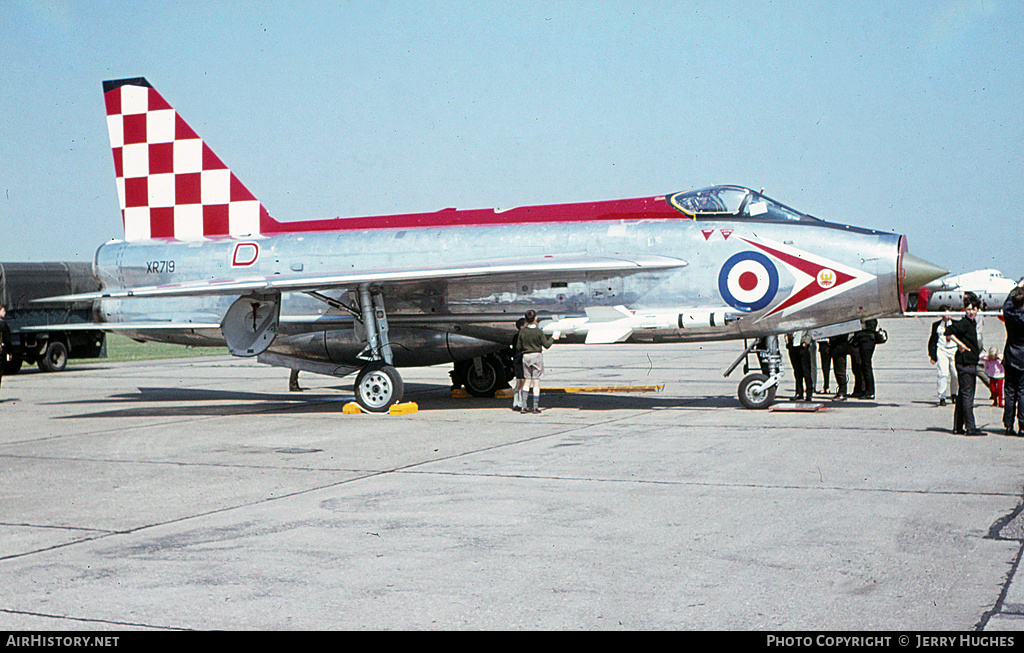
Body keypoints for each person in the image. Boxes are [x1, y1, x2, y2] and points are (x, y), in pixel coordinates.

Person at [946, 292, 983, 435]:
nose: (971, 312)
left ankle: (957, 426)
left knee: (962, 396)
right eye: (968, 309)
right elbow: (948, 332)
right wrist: (960, 344)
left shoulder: (971, 323)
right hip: (965, 364)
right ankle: (970, 427)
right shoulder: (964, 323)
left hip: (968, 363)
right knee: (968, 396)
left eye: (973, 309)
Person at [515, 310, 555, 414]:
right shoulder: (538, 331)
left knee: (527, 381)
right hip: (536, 356)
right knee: (536, 382)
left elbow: (518, 347)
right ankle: (535, 407)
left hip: (526, 356)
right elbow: (546, 345)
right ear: (535, 319)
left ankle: (524, 406)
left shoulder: (522, 332)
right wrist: (553, 338)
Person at [1002, 285, 1024, 435]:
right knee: (1022, 392)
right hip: (1023, 356)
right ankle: (1022, 426)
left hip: (1010, 354)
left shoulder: (1009, 313)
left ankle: (1008, 425)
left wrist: (1018, 287)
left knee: (1009, 391)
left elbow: (1006, 302)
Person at [928, 306, 958, 406]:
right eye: (945, 314)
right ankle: (942, 397)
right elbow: (932, 341)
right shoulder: (936, 325)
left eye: (949, 313)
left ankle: (954, 394)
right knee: (943, 374)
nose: (948, 316)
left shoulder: (956, 324)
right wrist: (932, 356)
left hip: (953, 350)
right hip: (941, 350)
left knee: (955, 373)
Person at [849, 320, 878, 400]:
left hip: (867, 341)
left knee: (866, 366)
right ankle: (864, 390)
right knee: (862, 366)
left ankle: (870, 392)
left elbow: (872, 325)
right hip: (863, 340)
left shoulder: (870, 318)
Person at [786, 331, 813, 401]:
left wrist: (806, 343)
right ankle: (799, 393)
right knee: (797, 372)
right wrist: (787, 341)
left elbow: (809, 333)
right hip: (793, 347)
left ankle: (809, 393)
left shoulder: (804, 322)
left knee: (806, 372)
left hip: (802, 347)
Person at [829, 333, 852, 400]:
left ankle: (842, 392)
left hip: (840, 349)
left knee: (840, 372)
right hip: (836, 349)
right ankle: (841, 391)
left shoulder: (841, 327)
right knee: (837, 371)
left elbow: (842, 336)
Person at [510, 317, 527, 411]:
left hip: (517, 360)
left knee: (519, 381)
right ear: (521, 327)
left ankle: (516, 402)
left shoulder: (516, 336)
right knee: (522, 381)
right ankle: (520, 402)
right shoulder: (521, 337)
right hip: (520, 360)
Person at [0, 304, 9, 398]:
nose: (5, 313)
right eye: (3, 311)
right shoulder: (2, 324)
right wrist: (9, 352)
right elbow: (7, 340)